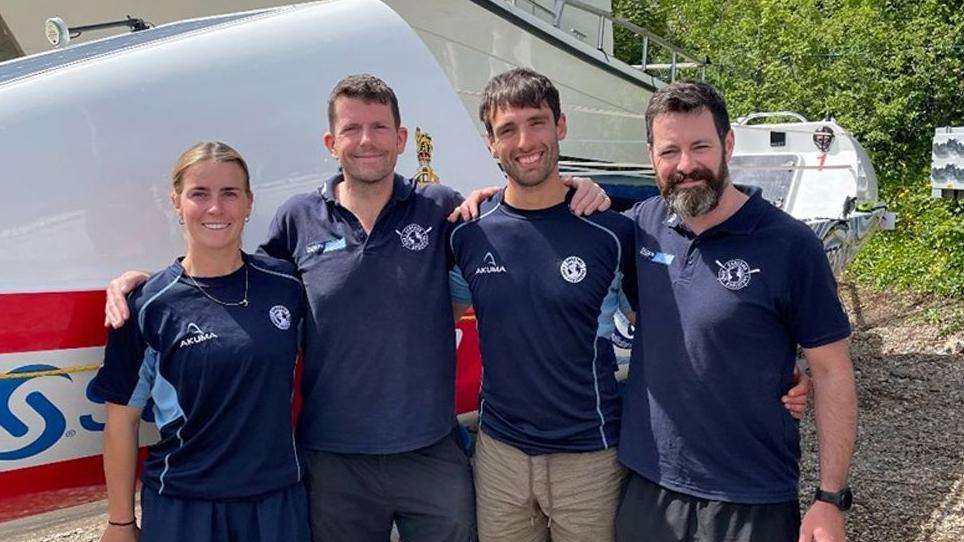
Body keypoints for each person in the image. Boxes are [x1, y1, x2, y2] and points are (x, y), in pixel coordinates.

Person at [103, 74, 610, 542]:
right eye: (352, 129)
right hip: (332, 461)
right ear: (332, 143)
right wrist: (150, 282)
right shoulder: (297, 218)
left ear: (401, 138)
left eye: (379, 127)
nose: (366, 140)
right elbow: (233, 276)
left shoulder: (442, 208)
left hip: (431, 452)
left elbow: (514, 219)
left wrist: (577, 190)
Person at [447, 68, 812, 542]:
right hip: (499, 455)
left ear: (561, 126)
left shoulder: (614, 231)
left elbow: (681, 317)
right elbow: (440, 328)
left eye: (537, 122)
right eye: (507, 130)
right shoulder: (468, 231)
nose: (525, 140)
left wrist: (774, 374)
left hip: (591, 455)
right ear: (490, 143)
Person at [615, 81, 857, 542]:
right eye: (670, 151)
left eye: (700, 147)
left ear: (728, 144)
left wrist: (830, 500)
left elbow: (832, 373)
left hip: (751, 498)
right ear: (651, 156)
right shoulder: (641, 228)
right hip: (649, 485)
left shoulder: (790, 245)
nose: (685, 165)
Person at [94, 142, 309, 542]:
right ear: (176, 203)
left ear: (248, 203)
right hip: (184, 505)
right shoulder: (144, 306)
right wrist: (120, 521)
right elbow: (121, 422)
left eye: (230, 193)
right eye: (199, 194)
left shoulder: (287, 287)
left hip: (277, 502)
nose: (215, 208)